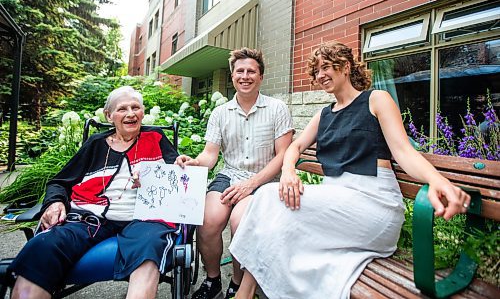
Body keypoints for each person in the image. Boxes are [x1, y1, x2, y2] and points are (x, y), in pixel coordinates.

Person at [229, 42, 471, 299]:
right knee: (271, 206)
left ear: (345, 67)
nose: (320, 75)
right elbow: (295, 146)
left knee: (268, 198)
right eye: (316, 71)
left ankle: (243, 294)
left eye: (326, 67)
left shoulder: (376, 99)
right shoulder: (324, 114)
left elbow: (403, 151)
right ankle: (246, 293)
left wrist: (437, 180)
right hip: (336, 202)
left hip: (373, 203)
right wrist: (288, 170)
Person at [8, 86, 179, 299]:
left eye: (136, 107)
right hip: (88, 219)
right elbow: (60, 182)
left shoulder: (155, 138)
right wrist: (55, 203)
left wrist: (157, 177)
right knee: (44, 246)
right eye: (122, 109)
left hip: (143, 219)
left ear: (143, 112)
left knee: (149, 249)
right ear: (109, 116)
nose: (130, 114)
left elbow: (179, 177)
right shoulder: (96, 144)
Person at [175, 48, 294, 299]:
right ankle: (213, 280)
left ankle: (238, 284)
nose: (245, 76)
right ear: (232, 77)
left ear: (261, 76)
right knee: (207, 221)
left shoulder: (277, 108)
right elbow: (210, 155)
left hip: (263, 180)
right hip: (229, 175)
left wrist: (251, 184)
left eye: (252, 71)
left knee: (240, 222)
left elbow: (283, 155)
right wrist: (195, 162)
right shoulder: (220, 113)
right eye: (240, 71)